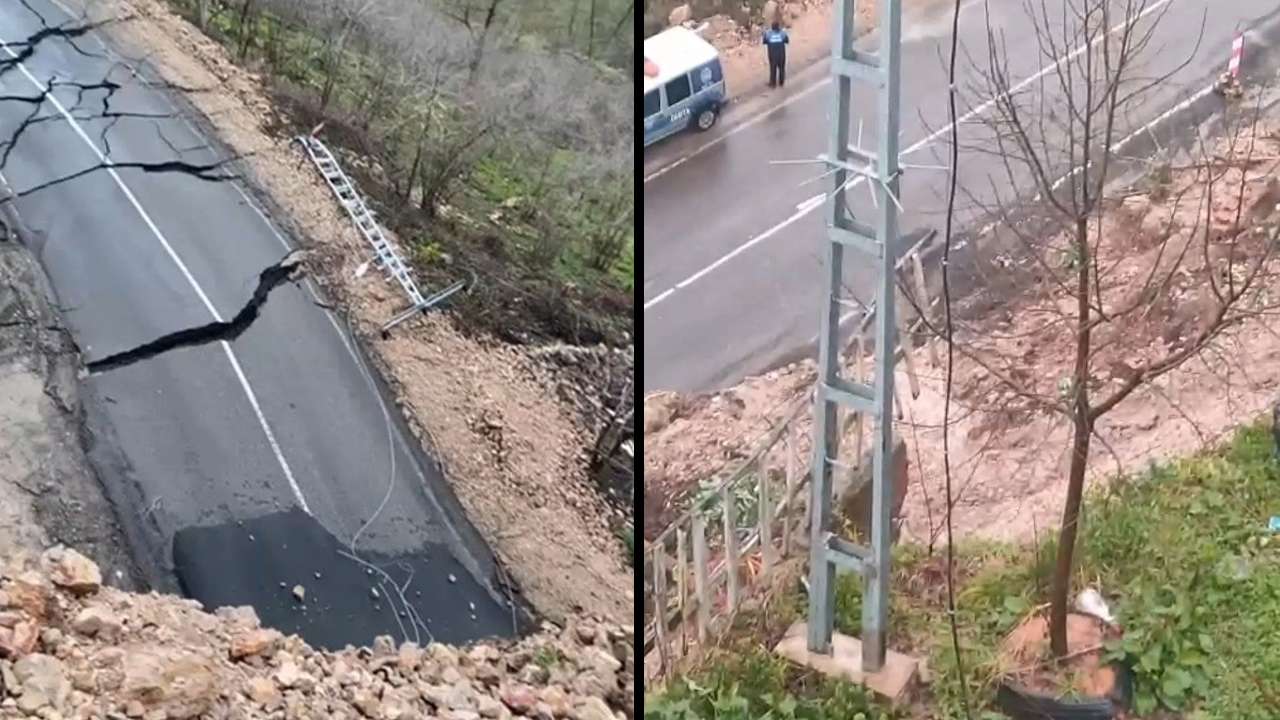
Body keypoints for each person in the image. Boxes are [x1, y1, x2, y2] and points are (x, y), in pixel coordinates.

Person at [762, 21, 789, 88]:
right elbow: (787, 41)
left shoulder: (768, 34)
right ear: (778, 26)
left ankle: (773, 83)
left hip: (772, 54)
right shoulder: (782, 33)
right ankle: (781, 82)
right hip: (781, 54)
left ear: (772, 27)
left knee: (773, 68)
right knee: (782, 68)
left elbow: (764, 41)